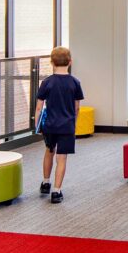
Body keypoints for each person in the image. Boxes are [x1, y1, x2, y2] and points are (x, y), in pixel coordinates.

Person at [35, 45, 84, 203]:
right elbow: (77, 107)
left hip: (49, 125)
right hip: (67, 125)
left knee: (49, 151)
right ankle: (56, 191)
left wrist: (37, 125)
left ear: (52, 63)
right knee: (61, 158)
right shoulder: (75, 82)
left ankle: (45, 182)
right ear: (70, 62)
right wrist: (73, 123)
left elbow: (39, 107)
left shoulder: (47, 82)